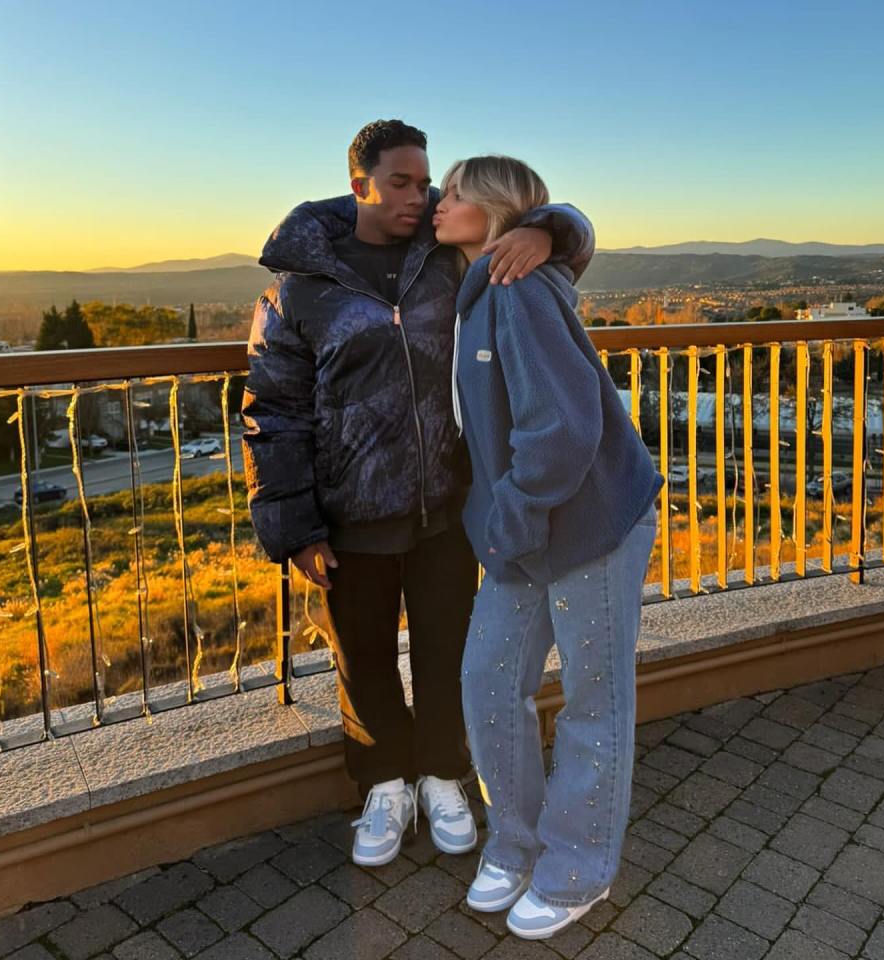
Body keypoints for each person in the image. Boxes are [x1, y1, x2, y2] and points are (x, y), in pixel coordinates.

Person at [242, 121, 594, 868]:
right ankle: (384, 785)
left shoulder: (443, 254)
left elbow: (561, 229)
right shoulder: (301, 288)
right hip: (351, 512)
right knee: (362, 653)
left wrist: (550, 229)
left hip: (448, 505)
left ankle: (442, 775)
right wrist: (296, 525)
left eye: (424, 180)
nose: (420, 195)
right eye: (400, 182)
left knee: (448, 651)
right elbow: (274, 412)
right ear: (359, 182)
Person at [435, 155, 662, 938]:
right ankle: (516, 842)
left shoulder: (518, 288)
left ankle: (578, 867)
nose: (439, 201)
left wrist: (511, 522)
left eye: (456, 191)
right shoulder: (479, 280)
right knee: (489, 685)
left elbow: (563, 430)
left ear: (495, 208)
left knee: (595, 702)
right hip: (528, 529)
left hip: (591, 522)